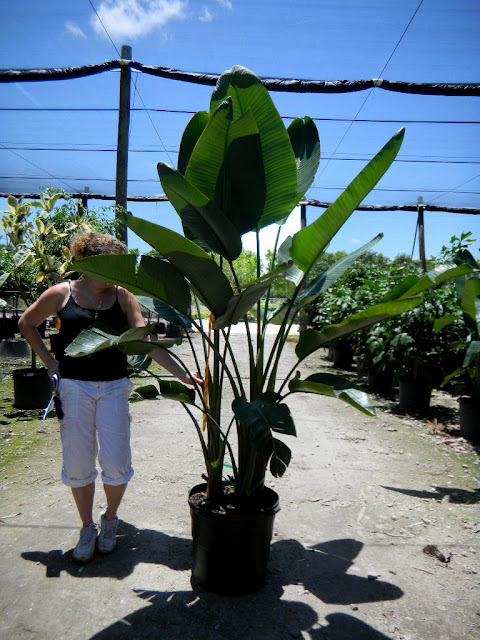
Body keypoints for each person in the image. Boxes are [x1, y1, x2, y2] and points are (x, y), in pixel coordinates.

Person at [18, 231, 203, 562]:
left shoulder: (122, 297)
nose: (115, 274)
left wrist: (183, 375)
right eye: (109, 267)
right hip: (74, 388)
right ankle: (86, 525)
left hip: (115, 388)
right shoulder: (62, 294)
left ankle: (110, 519)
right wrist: (49, 362)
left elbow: (147, 343)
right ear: (89, 264)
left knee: (117, 463)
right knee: (78, 462)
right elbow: (26, 323)